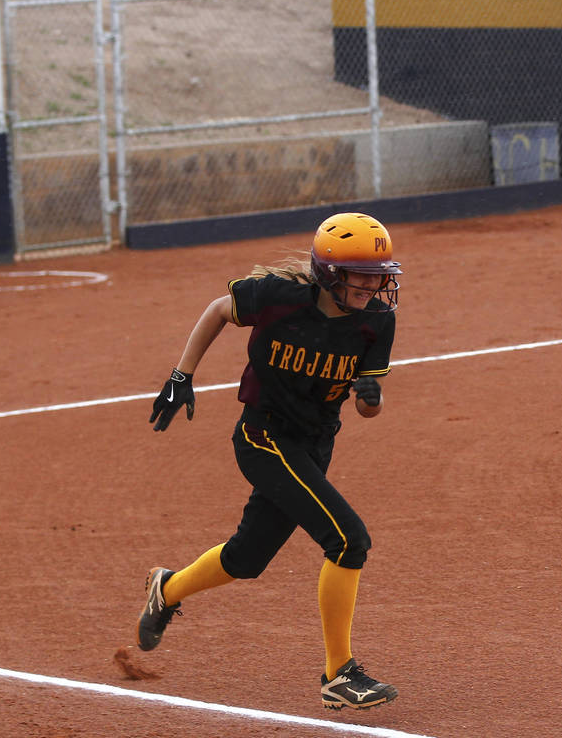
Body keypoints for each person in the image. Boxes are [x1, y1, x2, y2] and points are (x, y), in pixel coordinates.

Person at [138, 212, 402, 711]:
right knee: (348, 540)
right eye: (362, 273)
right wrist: (181, 375)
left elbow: (368, 407)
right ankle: (338, 673)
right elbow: (219, 309)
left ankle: (166, 590)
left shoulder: (376, 322)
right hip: (263, 437)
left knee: (246, 559)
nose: (375, 283)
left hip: (315, 445)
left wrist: (372, 397)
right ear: (328, 273)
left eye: (380, 273)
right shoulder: (278, 297)